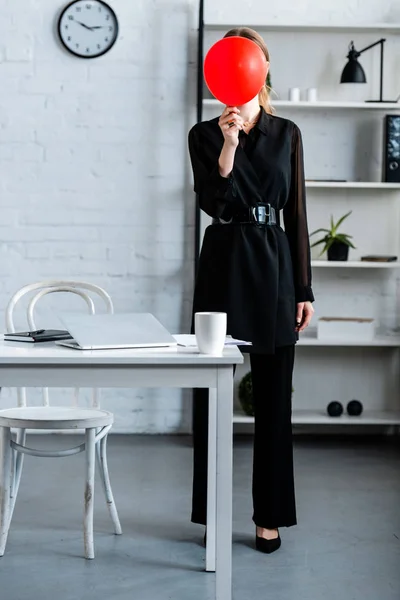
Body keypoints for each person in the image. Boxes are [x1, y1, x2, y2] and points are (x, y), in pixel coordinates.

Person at [188, 27, 315, 554]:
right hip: (222, 262)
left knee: (273, 401)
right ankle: (213, 513)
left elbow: (298, 212)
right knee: (209, 399)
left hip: (275, 265)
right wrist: (230, 143)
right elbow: (214, 203)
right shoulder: (203, 134)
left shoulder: (288, 133)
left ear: (260, 70)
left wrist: (304, 286)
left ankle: (270, 517)